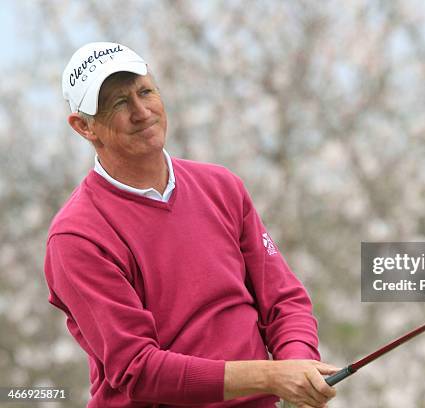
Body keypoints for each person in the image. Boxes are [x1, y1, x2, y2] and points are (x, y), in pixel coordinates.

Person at [43, 42, 337, 408]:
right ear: (84, 127)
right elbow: (139, 369)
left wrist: (296, 361)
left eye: (145, 91)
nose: (141, 111)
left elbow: (283, 300)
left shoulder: (222, 186)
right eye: (119, 103)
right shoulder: (77, 237)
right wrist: (271, 376)